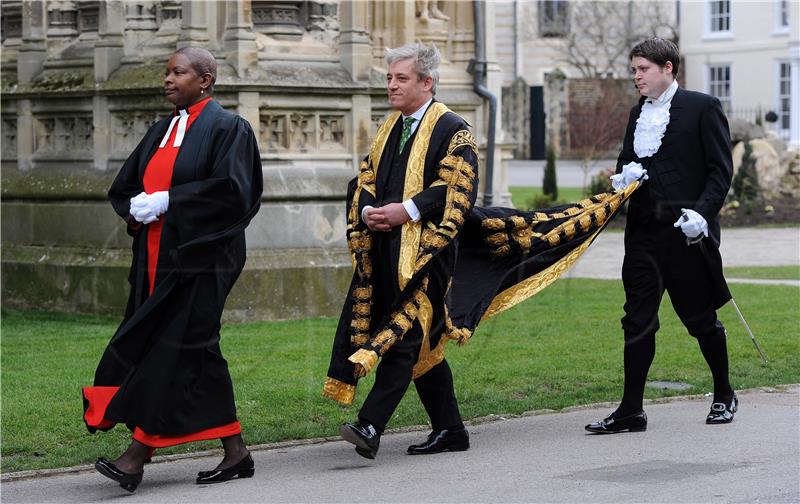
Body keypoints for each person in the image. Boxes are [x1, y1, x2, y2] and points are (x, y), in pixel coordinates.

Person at [82, 46, 263, 492]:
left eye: (178, 72)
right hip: (154, 258)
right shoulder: (161, 129)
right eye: (167, 72)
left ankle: (136, 456)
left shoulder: (229, 128)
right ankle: (236, 452)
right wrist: (135, 210)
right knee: (198, 350)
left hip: (204, 259)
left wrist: (170, 201)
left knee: (173, 348)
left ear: (204, 80)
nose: (168, 79)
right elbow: (126, 186)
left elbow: (235, 191)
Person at [324, 42, 478, 459]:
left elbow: (457, 187)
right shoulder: (390, 125)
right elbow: (368, 174)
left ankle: (371, 424)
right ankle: (451, 429)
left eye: (401, 78)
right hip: (388, 248)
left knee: (405, 335)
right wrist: (370, 209)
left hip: (429, 252)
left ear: (426, 82)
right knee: (422, 345)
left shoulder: (454, 129)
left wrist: (406, 211)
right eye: (389, 77)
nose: (391, 85)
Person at [585, 38, 736, 434]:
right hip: (643, 235)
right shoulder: (638, 113)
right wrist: (624, 175)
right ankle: (631, 410)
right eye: (634, 69)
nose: (635, 76)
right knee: (637, 321)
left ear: (668, 68)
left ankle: (724, 393)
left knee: (700, 319)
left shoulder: (703, 107)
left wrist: (702, 215)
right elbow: (625, 161)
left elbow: (721, 171)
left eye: (642, 69)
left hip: (687, 235)